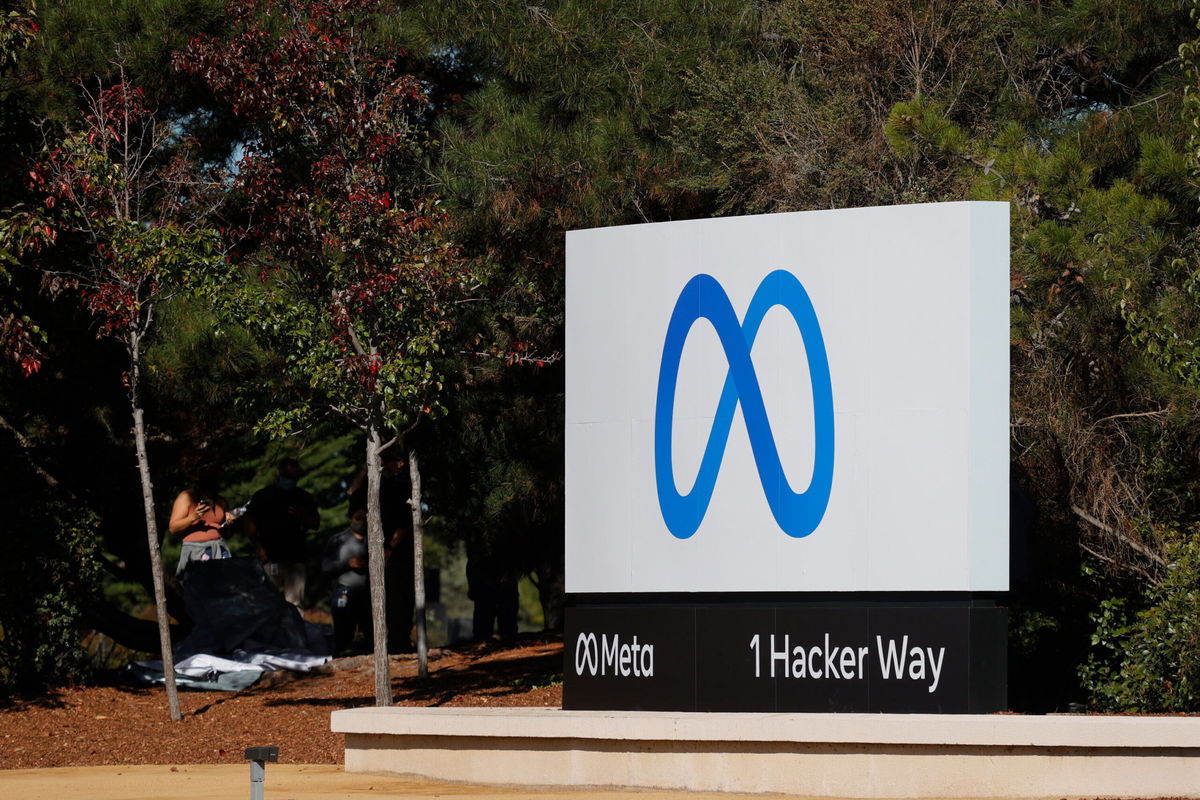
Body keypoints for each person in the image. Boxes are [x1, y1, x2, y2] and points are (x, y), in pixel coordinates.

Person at [245, 458, 319, 609]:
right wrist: (258, 547)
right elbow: (249, 522)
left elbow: (315, 524)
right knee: (266, 604)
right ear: (278, 474)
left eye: (294, 477)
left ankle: (292, 633)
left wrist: (302, 515)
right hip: (269, 559)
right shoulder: (262, 496)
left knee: (295, 606)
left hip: (295, 561)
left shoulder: (304, 497)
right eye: (287, 476)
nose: (290, 480)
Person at [322, 505, 372, 655]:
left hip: (368, 594)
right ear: (351, 518)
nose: (362, 522)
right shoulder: (338, 540)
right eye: (358, 518)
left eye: (366, 518)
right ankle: (339, 656)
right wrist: (347, 564)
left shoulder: (375, 540)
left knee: (368, 634)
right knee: (343, 633)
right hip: (344, 591)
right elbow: (325, 566)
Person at [169, 476, 233, 577]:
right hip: (196, 550)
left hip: (219, 549)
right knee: (199, 588)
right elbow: (173, 528)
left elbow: (227, 534)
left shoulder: (221, 501)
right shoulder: (186, 497)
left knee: (223, 587)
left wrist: (229, 524)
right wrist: (192, 517)